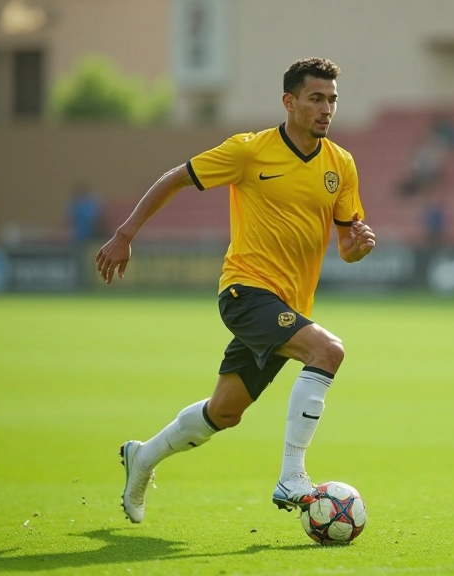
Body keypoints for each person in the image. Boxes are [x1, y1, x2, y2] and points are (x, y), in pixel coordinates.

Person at [94, 57, 376, 524]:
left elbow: (347, 243)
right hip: (245, 291)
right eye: (316, 98)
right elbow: (176, 177)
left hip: (288, 306)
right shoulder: (249, 151)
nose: (327, 109)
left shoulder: (340, 165)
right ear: (289, 102)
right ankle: (293, 476)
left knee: (224, 413)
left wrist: (358, 246)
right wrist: (125, 234)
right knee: (327, 351)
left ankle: (142, 458)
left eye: (332, 100)